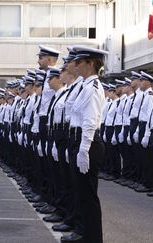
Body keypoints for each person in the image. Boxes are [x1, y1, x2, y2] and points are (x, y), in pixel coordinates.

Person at [61, 46, 107, 243]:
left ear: (91, 63)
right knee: (81, 192)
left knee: (88, 194)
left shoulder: (94, 88)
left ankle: (92, 237)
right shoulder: (85, 86)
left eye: (80, 62)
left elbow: (90, 121)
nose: (76, 65)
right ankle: (83, 232)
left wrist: (83, 149)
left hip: (86, 143)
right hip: (78, 140)